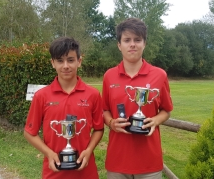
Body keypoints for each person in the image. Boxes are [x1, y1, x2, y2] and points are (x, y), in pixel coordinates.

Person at [102, 18, 173, 178]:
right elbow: (104, 110)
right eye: (127, 40)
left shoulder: (159, 75)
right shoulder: (109, 76)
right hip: (117, 160)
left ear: (144, 43)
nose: (132, 44)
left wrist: (155, 121)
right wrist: (112, 123)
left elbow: (166, 111)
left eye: (137, 40)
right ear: (119, 45)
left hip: (149, 161)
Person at [24, 37, 104, 179]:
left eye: (71, 60)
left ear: (79, 61)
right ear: (53, 63)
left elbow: (99, 129)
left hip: (86, 172)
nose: (65, 66)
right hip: (54, 172)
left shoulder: (93, 95)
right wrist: (49, 153)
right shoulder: (41, 96)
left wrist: (89, 150)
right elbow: (29, 133)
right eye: (60, 61)